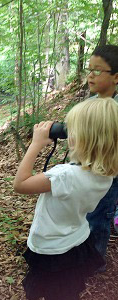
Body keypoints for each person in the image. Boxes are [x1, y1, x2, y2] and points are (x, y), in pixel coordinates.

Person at [13, 98, 118, 300]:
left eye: (73, 130)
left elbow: (21, 184)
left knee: (59, 299)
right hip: (76, 243)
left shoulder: (65, 176)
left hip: (53, 250)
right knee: (67, 293)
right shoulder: (105, 174)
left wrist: (36, 144)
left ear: (86, 139)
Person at [85, 45, 118, 262]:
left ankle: (96, 260)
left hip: (109, 175)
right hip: (87, 171)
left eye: (98, 71)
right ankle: (84, 254)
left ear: (116, 77)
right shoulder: (90, 103)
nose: (90, 75)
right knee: (88, 214)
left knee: (100, 217)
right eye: (89, 69)